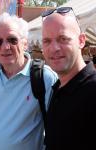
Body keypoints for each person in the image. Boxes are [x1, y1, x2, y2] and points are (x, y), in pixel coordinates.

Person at [0, 12, 57, 150]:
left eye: (12, 40)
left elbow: (57, 130)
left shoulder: (45, 78)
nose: (5, 47)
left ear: (25, 43)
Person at [41, 7, 96, 150]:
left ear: (81, 41)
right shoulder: (58, 88)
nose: (54, 48)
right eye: (47, 41)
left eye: (63, 39)